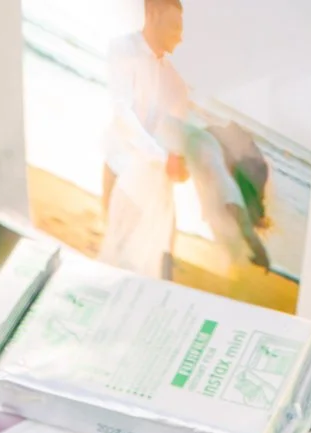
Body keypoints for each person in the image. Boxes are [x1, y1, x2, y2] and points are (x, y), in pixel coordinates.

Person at [99, 0, 192, 277]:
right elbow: (122, 114)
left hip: (156, 184)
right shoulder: (122, 49)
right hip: (120, 169)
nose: (180, 35)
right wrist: (164, 158)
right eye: (174, 25)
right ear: (152, 14)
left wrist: (181, 162)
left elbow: (178, 135)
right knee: (119, 256)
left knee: (160, 261)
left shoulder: (175, 82)